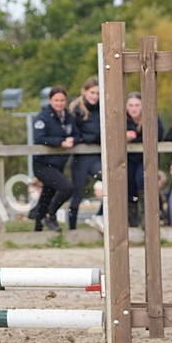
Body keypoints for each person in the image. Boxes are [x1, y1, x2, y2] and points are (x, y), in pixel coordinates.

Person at [29, 86, 76, 232]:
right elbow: (39, 138)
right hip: (42, 164)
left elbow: (77, 133)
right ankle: (50, 214)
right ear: (50, 100)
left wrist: (72, 139)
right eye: (56, 100)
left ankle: (38, 226)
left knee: (47, 194)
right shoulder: (43, 117)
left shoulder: (67, 117)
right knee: (67, 188)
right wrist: (60, 142)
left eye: (62, 100)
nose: (59, 103)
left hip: (58, 163)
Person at [67, 78, 102, 230]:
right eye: (92, 92)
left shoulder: (103, 108)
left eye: (98, 93)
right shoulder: (76, 109)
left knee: (110, 182)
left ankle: (100, 216)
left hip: (96, 155)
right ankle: (72, 228)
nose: (95, 96)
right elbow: (73, 132)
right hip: (80, 157)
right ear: (84, 92)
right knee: (77, 192)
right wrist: (85, 138)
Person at [125, 92, 164, 228]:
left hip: (147, 157)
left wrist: (133, 138)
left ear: (143, 106)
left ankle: (147, 219)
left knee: (143, 181)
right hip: (128, 158)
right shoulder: (121, 119)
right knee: (128, 184)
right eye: (130, 105)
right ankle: (132, 221)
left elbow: (158, 135)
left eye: (137, 105)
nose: (134, 108)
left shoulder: (151, 117)